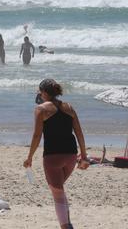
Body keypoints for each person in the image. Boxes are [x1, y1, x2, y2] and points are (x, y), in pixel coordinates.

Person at [24, 79, 89, 229]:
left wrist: (29, 157)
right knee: (59, 190)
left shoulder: (41, 109)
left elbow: (36, 135)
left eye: (40, 92)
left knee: (57, 192)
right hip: (71, 155)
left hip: (53, 156)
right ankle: (67, 223)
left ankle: (66, 226)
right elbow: (79, 132)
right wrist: (84, 156)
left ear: (44, 92)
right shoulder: (69, 107)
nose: (39, 94)